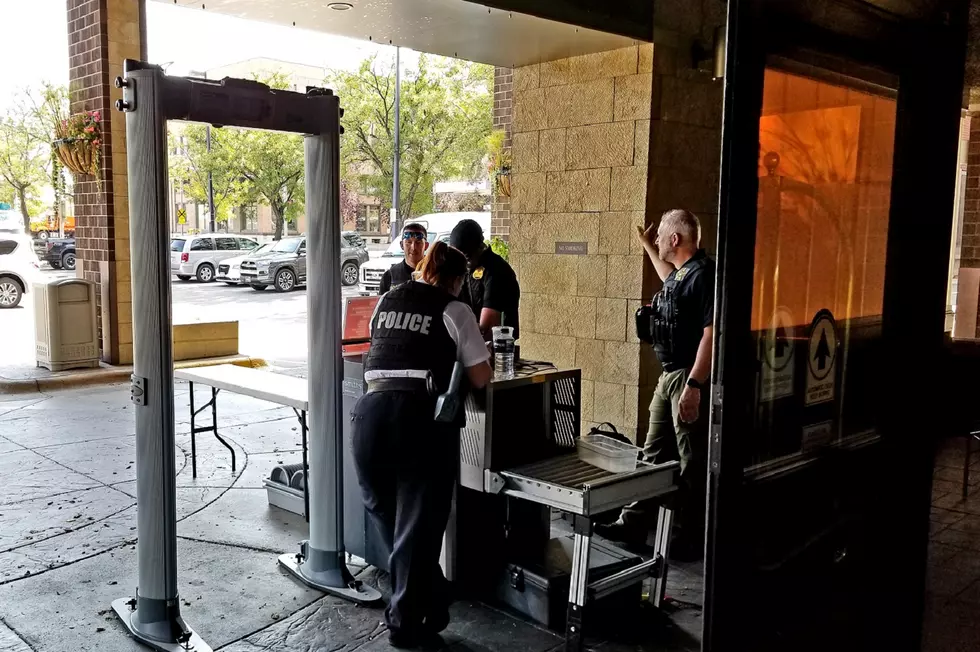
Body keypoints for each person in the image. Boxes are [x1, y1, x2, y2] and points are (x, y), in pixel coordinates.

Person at [351, 241, 493, 649]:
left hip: (369, 414)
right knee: (416, 528)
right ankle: (405, 626)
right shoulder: (455, 310)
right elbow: (481, 378)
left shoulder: (386, 301)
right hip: (418, 419)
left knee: (390, 518)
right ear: (456, 279)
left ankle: (433, 596)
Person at [594, 209, 715, 561]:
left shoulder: (704, 276)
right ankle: (632, 521)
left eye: (661, 235)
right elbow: (670, 280)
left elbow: (712, 333)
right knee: (652, 455)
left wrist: (694, 384)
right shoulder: (683, 274)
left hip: (685, 375)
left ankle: (692, 534)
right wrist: (648, 246)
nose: (659, 239)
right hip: (669, 376)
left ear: (675, 239)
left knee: (690, 459)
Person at [449, 218, 520, 341]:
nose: (463, 263)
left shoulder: (496, 271)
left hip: (497, 347)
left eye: (466, 257)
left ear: (480, 248)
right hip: (469, 342)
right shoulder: (464, 269)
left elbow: (487, 328)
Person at [379, 222, 428, 295]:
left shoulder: (436, 274)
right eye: (409, 242)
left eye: (418, 243)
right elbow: (382, 304)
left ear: (426, 246)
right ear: (402, 245)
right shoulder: (390, 276)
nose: (413, 248)